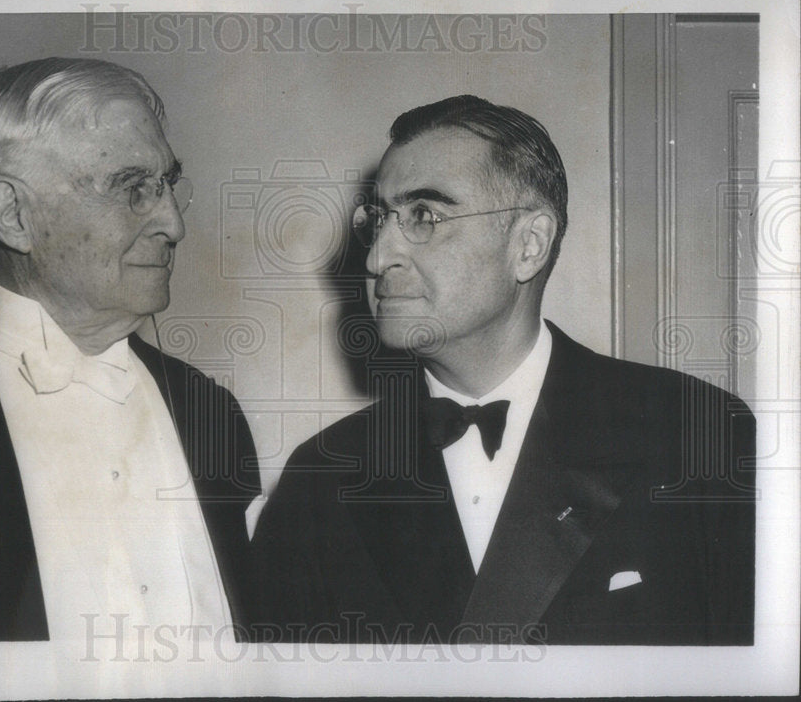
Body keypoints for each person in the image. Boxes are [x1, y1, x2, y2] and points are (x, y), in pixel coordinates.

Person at [252, 95, 755, 645]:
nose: (377, 258)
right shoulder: (321, 479)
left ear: (529, 245)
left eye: (425, 215)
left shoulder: (697, 431)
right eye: (378, 221)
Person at [0, 58, 259, 642]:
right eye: (132, 188)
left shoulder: (211, 412)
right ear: (13, 215)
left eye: (166, 185)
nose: (172, 223)